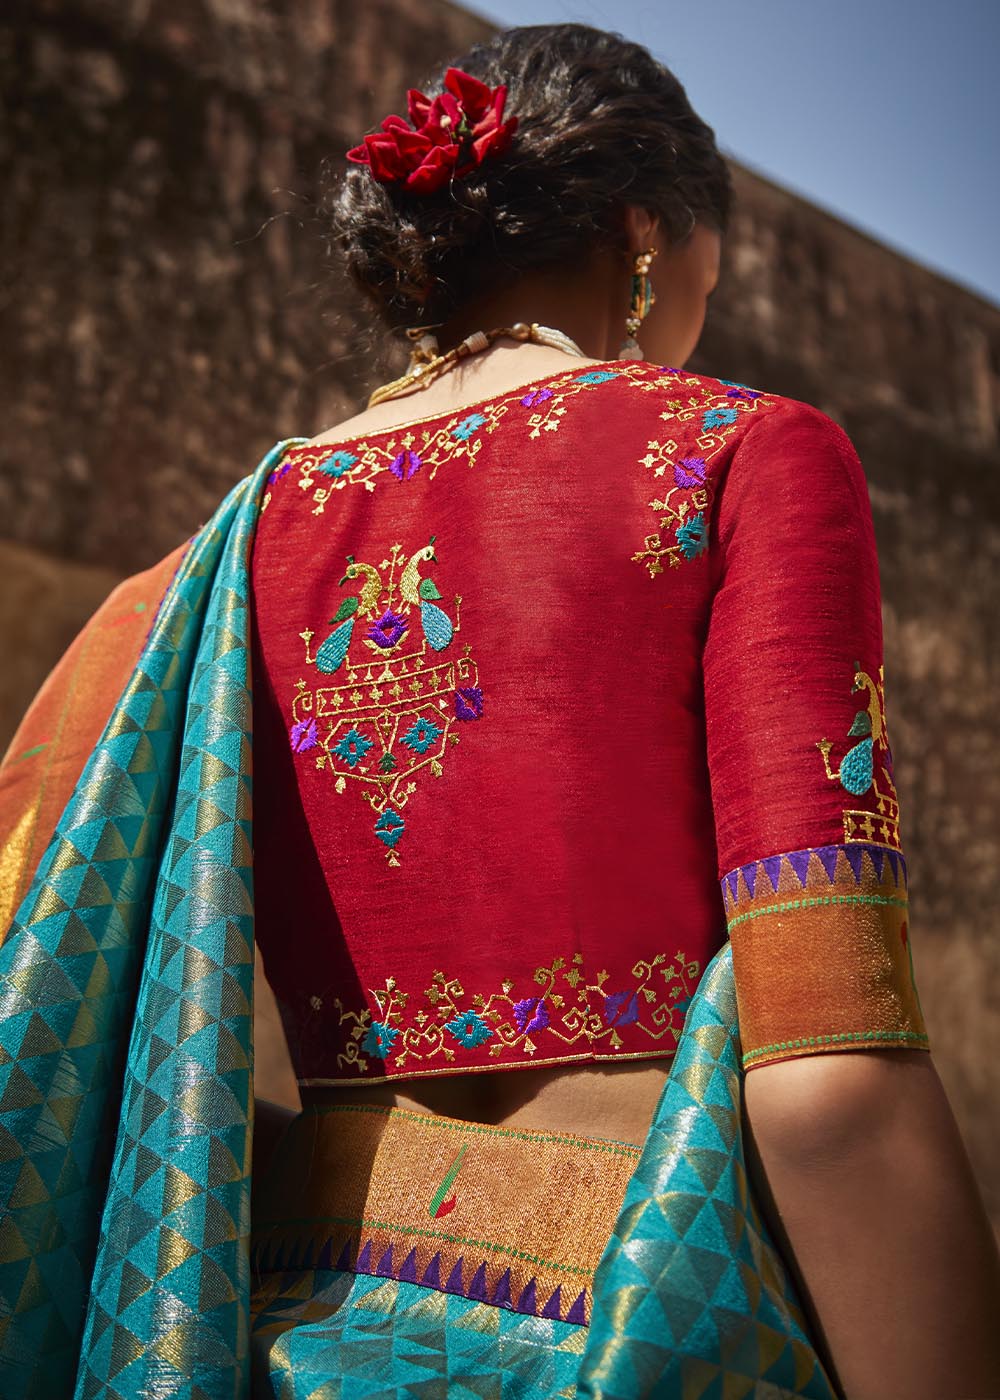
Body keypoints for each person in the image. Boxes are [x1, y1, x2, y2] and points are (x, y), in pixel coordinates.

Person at [1, 22, 998, 1400]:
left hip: (281, 1330)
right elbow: (831, 1086)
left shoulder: (219, 554)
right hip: (641, 1319)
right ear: (650, 231)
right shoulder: (739, 455)